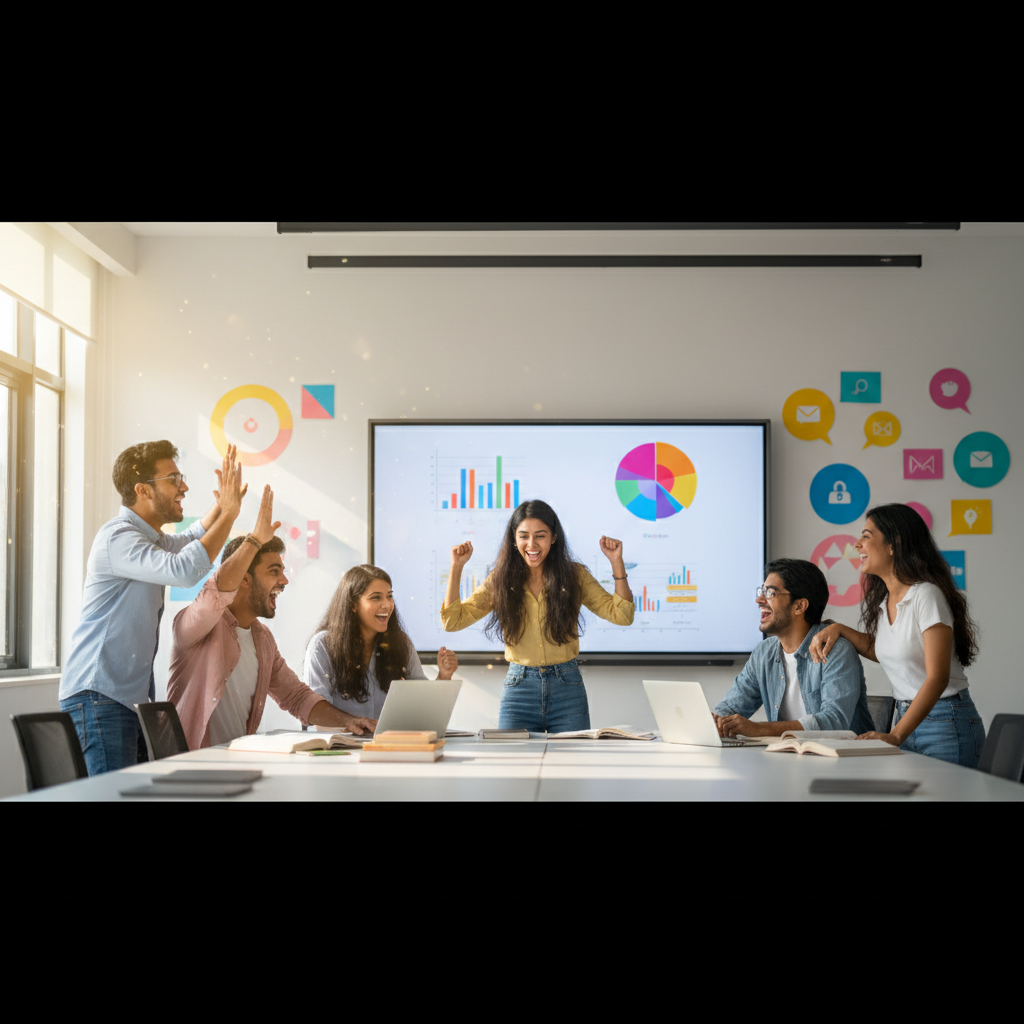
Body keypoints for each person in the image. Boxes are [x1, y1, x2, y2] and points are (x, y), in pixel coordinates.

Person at [59, 440, 246, 774]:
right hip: (99, 694)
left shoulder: (149, 539)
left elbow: (190, 541)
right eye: (174, 479)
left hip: (124, 699)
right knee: (114, 798)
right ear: (143, 490)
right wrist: (230, 514)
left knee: (141, 793)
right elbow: (184, 569)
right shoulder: (118, 537)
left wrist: (222, 507)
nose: (184, 487)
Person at [168, 486, 377, 748]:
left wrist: (348, 721)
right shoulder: (195, 625)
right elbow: (215, 592)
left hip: (235, 765)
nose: (284, 580)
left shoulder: (262, 638)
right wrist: (254, 539)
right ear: (244, 578)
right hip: (194, 769)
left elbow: (296, 697)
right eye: (274, 571)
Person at [809, 503, 986, 767]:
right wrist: (838, 628)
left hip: (945, 723)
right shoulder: (885, 600)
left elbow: (937, 678)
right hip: (905, 719)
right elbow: (882, 649)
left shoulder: (926, 595)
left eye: (866, 536)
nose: (857, 545)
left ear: (894, 545)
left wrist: (895, 735)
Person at [440, 499, 634, 732]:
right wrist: (456, 567)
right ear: (514, 539)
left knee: (572, 766)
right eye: (523, 536)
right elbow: (452, 622)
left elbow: (622, 615)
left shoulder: (575, 575)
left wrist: (616, 562)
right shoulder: (500, 579)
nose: (531, 544)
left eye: (540, 535)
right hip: (518, 689)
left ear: (553, 537)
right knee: (513, 766)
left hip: (567, 689)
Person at [713, 558, 873, 738]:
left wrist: (759, 729)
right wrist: (713, 721)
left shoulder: (836, 650)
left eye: (770, 593)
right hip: (788, 759)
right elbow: (731, 708)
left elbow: (834, 722)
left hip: (845, 761)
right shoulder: (763, 653)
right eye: (761, 591)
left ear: (799, 606)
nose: (759, 600)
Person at [304, 565, 459, 721]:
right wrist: (352, 723)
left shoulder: (401, 643)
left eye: (389, 596)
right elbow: (315, 710)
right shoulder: (322, 645)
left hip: (392, 744)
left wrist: (443, 677)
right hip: (343, 744)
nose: (387, 605)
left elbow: (424, 707)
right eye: (376, 597)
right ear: (353, 605)